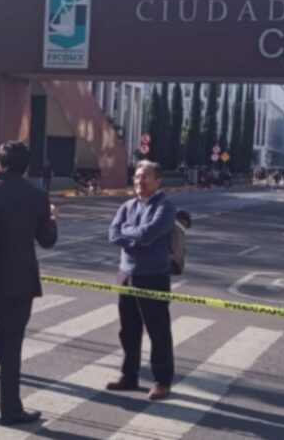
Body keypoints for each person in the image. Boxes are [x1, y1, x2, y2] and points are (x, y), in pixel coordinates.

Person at [0, 140, 57, 424]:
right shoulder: (36, 195)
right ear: (26, 166)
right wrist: (51, 217)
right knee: (11, 346)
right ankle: (11, 409)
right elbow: (47, 240)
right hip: (18, 283)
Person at [108, 160, 176, 401]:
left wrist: (130, 232)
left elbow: (149, 234)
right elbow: (113, 234)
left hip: (153, 276)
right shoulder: (127, 206)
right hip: (126, 274)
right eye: (136, 177)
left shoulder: (165, 206)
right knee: (128, 330)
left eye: (145, 177)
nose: (139, 182)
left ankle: (162, 380)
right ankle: (129, 375)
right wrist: (135, 234)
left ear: (158, 181)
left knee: (158, 331)